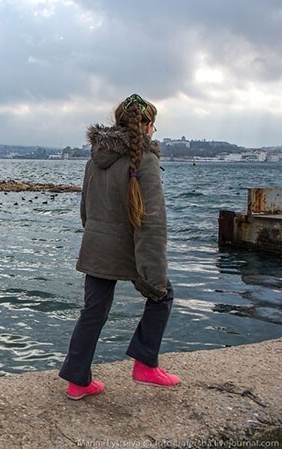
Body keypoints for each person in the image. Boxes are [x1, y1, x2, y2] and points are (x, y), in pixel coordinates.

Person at [59, 94, 179, 400]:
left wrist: (99, 234)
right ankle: (145, 363)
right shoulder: (145, 160)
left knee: (93, 311)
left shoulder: (95, 157)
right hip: (130, 247)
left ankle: (77, 380)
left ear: (117, 122)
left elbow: (85, 210)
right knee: (162, 294)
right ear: (148, 126)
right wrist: (153, 273)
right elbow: (151, 224)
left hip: (96, 244)